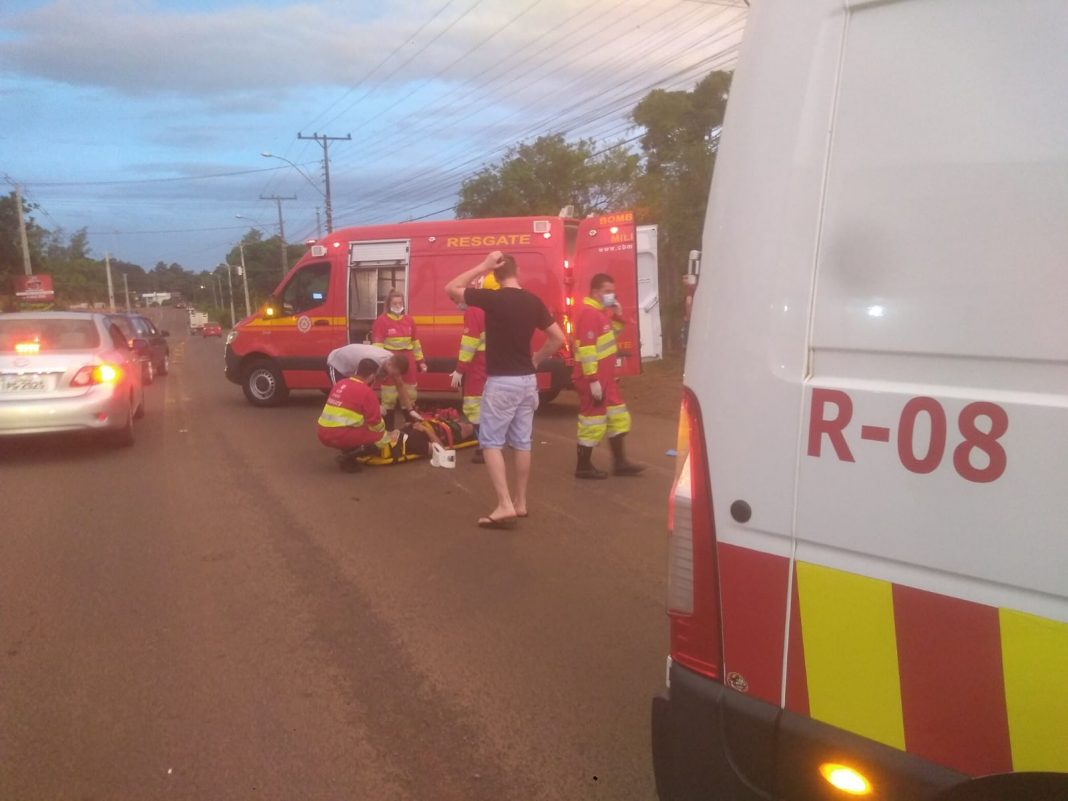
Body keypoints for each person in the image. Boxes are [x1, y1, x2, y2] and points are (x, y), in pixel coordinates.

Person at [445, 251, 565, 529]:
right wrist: (536, 359)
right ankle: (520, 502)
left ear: (495, 275)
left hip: (502, 382)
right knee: (522, 442)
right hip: (527, 382)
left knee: (490, 443)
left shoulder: (493, 299)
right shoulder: (533, 301)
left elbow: (451, 288)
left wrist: (482, 266)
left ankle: (504, 504)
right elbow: (558, 338)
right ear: (517, 271)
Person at [572, 273, 644, 479]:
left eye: (613, 291)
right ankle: (583, 467)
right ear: (595, 292)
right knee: (592, 421)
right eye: (607, 291)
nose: (611, 295)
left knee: (618, 417)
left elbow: (610, 337)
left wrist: (618, 316)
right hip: (593, 379)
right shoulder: (589, 314)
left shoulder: (600, 313)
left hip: (606, 380)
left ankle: (620, 463)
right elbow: (587, 350)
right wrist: (593, 380)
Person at [449, 274, 497, 464]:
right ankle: (492, 444)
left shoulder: (473, 311)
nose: (456, 304)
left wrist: (460, 369)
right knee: (489, 406)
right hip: (493, 364)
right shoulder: (490, 309)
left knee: (473, 406)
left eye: (455, 299)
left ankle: (484, 447)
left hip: (478, 366)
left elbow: (469, 344)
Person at [317, 358, 390, 473]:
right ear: (372, 376)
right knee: (383, 437)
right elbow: (375, 423)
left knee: (357, 425)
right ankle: (347, 458)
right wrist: (385, 429)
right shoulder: (367, 392)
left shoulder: (340, 384)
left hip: (323, 433)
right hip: (340, 435)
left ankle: (348, 452)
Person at [372, 289, 427, 429]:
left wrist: (421, 362)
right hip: (390, 361)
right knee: (389, 397)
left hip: (408, 362)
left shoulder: (409, 320)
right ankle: (389, 429)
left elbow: (416, 343)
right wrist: (381, 365)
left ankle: (411, 427)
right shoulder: (381, 321)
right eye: (395, 303)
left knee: (410, 394)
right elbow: (377, 346)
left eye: (400, 303)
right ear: (388, 304)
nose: (398, 305)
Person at [326, 342, 416, 424]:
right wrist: (376, 407)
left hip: (353, 362)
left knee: (359, 398)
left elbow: (400, 385)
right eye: (393, 373)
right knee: (341, 395)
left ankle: (357, 422)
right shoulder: (372, 362)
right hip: (337, 362)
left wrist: (410, 409)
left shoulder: (393, 361)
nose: (393, 376)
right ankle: (337, 423)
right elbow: (358, 384)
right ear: (389, 364)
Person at [681, 273, 697, 350]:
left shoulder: (689, 289)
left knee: (687, 331)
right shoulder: (695, 287)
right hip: (694, 315)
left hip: (689, 316)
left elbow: (688, 302)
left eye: (685, 278)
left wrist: (688, 316)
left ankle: (686, 346)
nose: (683, 280)